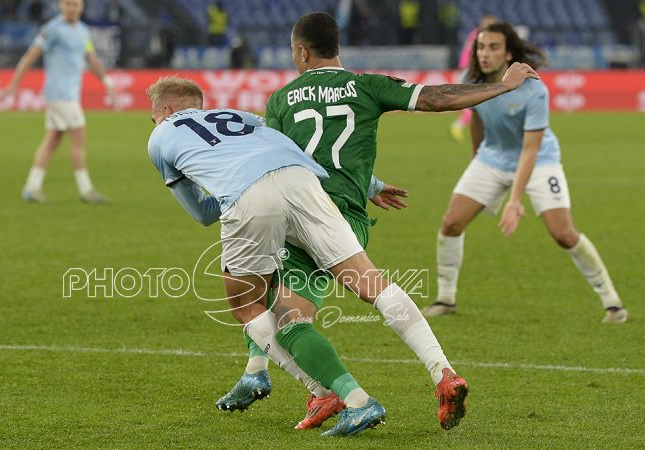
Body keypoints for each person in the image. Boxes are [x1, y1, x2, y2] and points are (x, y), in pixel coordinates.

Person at [217, 11, 541, 432]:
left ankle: (320, 390)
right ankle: (442, 372)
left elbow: (285, 161)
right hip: (347, 215)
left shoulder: (280, 100)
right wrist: (502, 85)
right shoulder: (367, 85)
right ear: (337, 48)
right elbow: (436, 99)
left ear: (301, 51)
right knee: (374, 288)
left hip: (299, 214)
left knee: (276, 312)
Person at [421, 22, 628, 324]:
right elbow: (477, 118)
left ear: (508, 54)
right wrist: (476, 159)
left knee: (563, 233)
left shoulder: (534, 89)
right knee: (451, 223)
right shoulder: (470, 78)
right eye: (481, 47)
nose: (485, 54)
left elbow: (530, 150)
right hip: (492, 158)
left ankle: (613, 304)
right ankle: (445, 299)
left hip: (540, 160)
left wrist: (515, 200)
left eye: (493, 47)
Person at [2, 0, 114, 204]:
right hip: (60, 94)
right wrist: (14, 84)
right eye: (68, 4)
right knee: (79, 137)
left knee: (53, 139)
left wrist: (107, 81)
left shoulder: (83, 31)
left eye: (75, 4)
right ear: (61, 6)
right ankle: (86, 189)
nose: (72, 8)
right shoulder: (52, 29)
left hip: (69, 94)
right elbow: (30, 55)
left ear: (81, 7)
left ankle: (32, 187)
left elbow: (91, 58)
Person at [449, 14, 496, 142]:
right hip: (472, 71)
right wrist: (464, 69)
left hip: (477, 71)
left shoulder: (482, 35)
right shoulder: (478, 35)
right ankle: (459, 125)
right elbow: (467, 53)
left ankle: (461, 126)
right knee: (477, 102)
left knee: (480, 102)